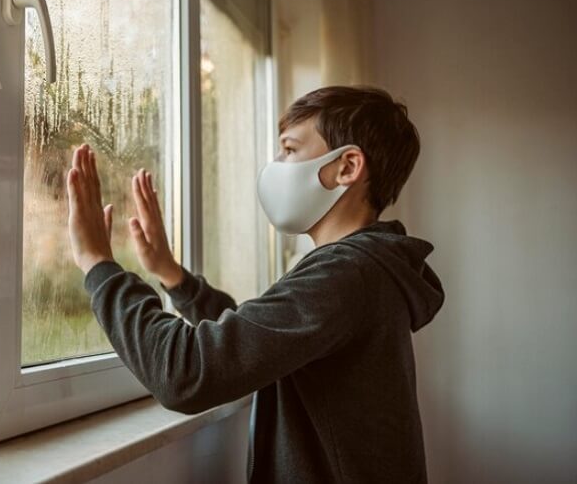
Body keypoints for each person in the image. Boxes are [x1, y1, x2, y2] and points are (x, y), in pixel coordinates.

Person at [65, 85, 445, 483]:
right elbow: (256, 340)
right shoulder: (361, 268)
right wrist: (174, 278)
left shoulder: (349, 274)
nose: (276, 164)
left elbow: (187, 374)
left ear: (347, 167)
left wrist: (98, 265)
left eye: (291, 149)